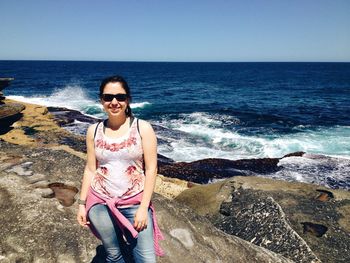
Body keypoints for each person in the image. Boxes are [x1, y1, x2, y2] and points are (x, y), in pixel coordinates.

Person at [77, 75, 163, 263]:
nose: (114, 102)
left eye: (120, 97)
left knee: (146, 258)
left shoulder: (143, 128)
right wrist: (82, 205)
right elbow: (91, 169)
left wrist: (143, 208)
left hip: (134, 201)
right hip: (99, 201)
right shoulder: (94, 130)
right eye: (108, 97)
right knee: (114, 255)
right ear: (101, 100)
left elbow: (151, 169)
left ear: (128, 99)